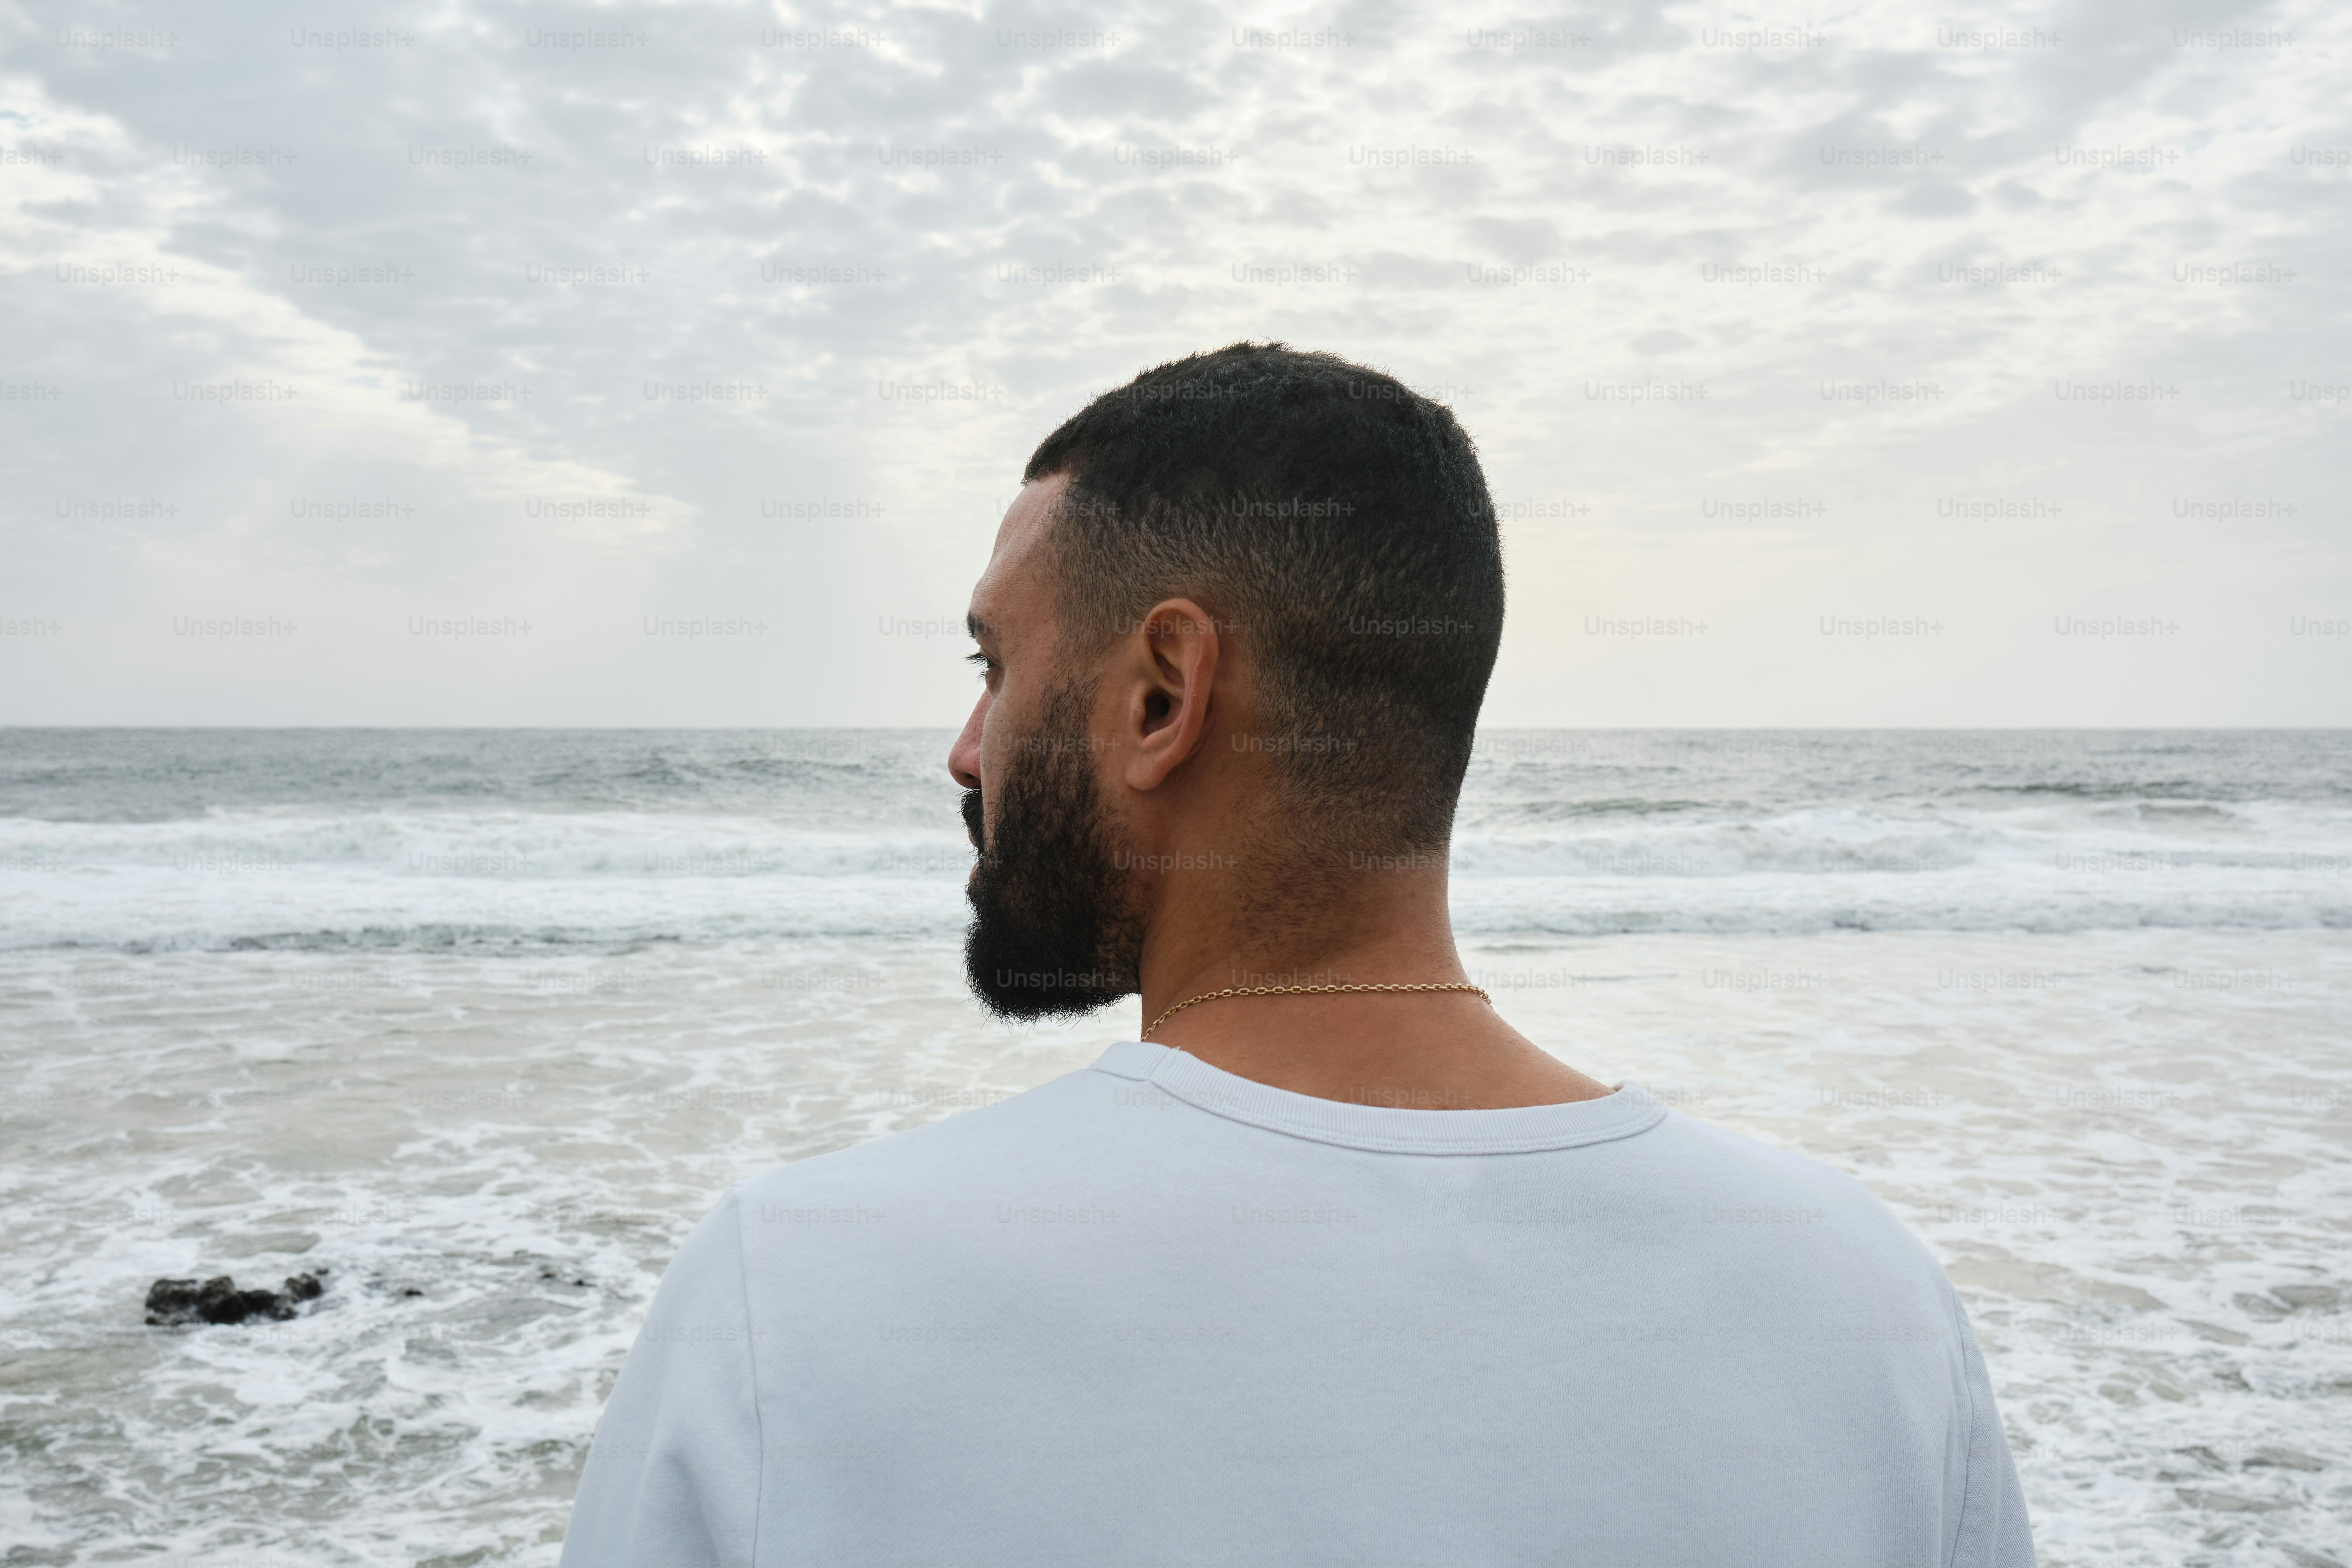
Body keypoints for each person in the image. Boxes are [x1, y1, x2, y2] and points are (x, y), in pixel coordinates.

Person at [559, 342, 2036, 1566]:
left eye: (995, 669)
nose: (965, 748)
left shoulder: (803, 1297)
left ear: (1161, 696)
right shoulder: (1863, 1312)